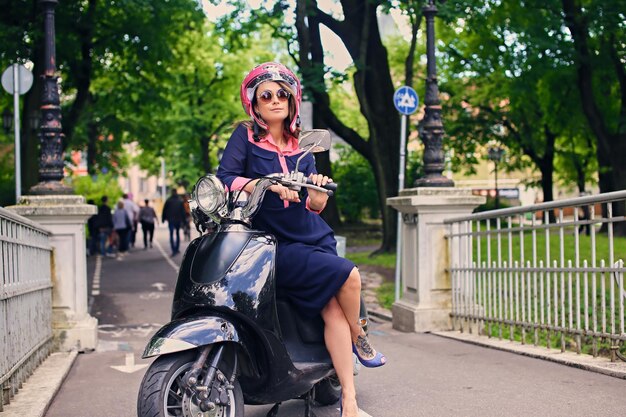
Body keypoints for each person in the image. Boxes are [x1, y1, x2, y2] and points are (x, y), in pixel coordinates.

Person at [216, 62, 385, 417]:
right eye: (267, 95)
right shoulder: (245, 137)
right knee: (350, 274)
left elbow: (315, 205)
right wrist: (264, 184)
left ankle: (349, 401)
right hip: (272, 242)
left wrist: (318, 194)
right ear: (255, 104)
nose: (275, 100)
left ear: (292, 102)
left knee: (332, 308)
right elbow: (226, 177)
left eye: (282, 94)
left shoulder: (302, 147)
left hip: (311, 236)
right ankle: (359, 335)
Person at [162, 189, 186, 256]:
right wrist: (184, 221)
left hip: (171, 220)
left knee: (171, 234)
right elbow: (183, 211)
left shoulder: (168, 200)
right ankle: (176, 249)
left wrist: (163, 219)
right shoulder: (180, 200)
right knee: (177, 233)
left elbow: (164, 210)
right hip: (178, 219)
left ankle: (173, 250)